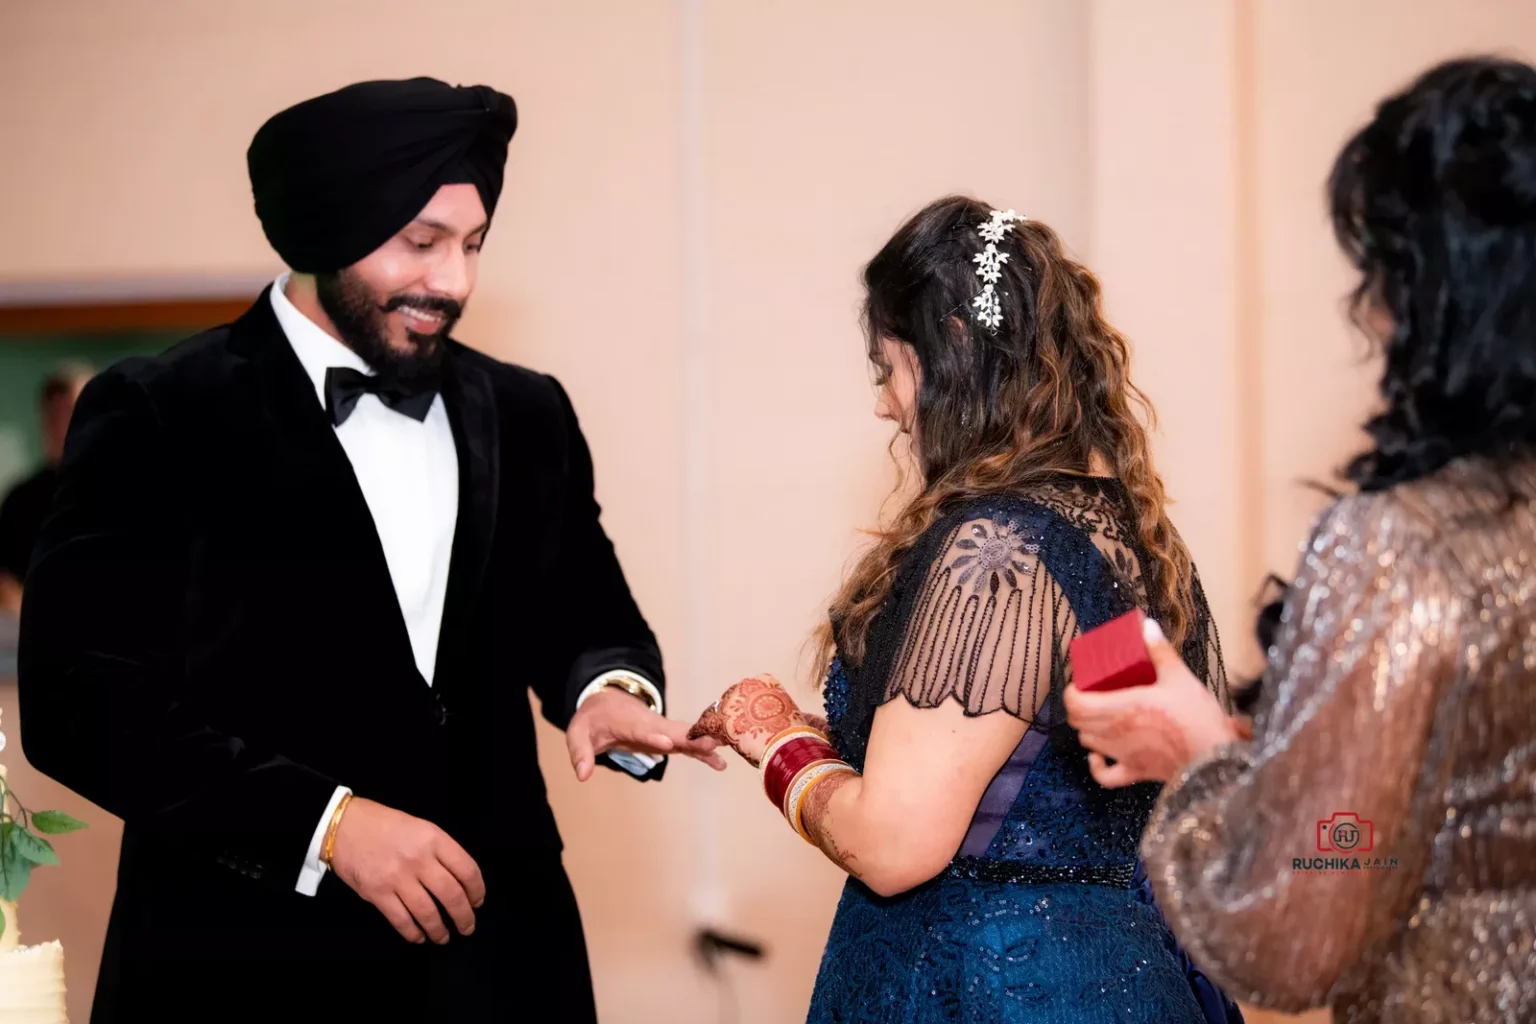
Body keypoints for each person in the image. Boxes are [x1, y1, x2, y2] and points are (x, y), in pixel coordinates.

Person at [17, 77, 721, 1024]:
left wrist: (605, 689)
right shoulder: (158, 411)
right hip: (238, 959)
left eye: (472, 246)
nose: (454, 282)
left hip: (498, 961)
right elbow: (77, 698)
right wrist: (328, 825)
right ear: (318, 236)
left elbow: (584, 613)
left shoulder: (528, 411)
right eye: (420, 243)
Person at [1064, 56, 1536, 1023]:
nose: (1368, 312)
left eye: (1378, 273)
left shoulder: (1402, 547)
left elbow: (1298, 927)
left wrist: (1199, 755)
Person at [691, 197, 1241, 1023]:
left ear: (949, 350)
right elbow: (1046, 776)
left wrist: (770, 735)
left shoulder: (997, 550)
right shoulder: (1132, 535)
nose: (884, 404)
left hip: (991, 984)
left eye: (889, 368)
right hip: (1123, 973)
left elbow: (895, 846)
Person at [0, 363, 92, 614]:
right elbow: (6, 578)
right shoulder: (20, 501)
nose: (63, 426)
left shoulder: (120, 493)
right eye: (54, 415)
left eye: (72, 412)